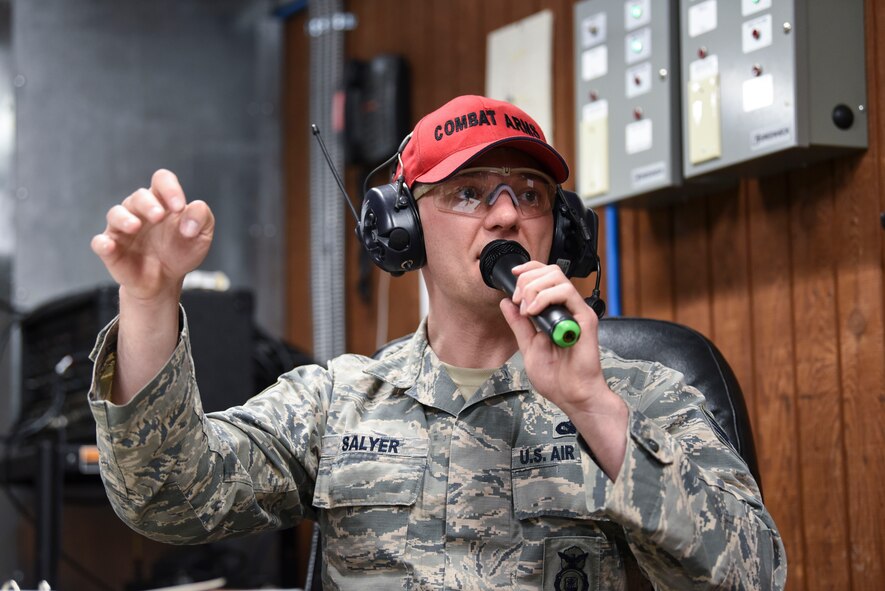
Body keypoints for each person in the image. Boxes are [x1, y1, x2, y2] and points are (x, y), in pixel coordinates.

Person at [88, 94, 786, 590]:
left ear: (560, 228)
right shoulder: (336, 402)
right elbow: (167, 496)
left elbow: (751, 576)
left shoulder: (638, 394)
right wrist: (150, 301)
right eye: (469, 191)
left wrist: (593, 407)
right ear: (403, 228)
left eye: (530, 192)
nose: (507, 211)